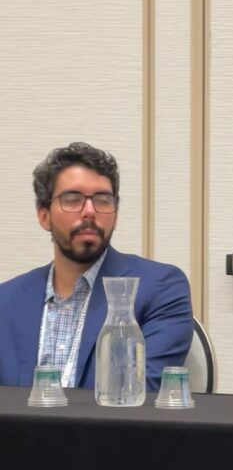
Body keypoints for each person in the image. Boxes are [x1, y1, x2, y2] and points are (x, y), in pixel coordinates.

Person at [0, 141, 193, 392]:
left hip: (112, 431)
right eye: (72, 199)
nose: (90, 211)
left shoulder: (159, 288)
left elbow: (142, 392)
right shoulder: (6, 301)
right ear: (44, 216)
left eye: (102, 200)